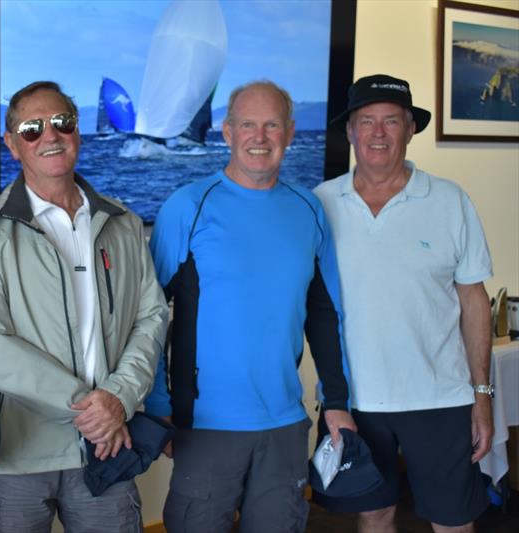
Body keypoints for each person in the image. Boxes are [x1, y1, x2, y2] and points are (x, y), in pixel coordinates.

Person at [0, 81, 168, 533]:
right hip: (19, 451)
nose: (49, 135)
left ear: (78, 133)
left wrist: (119, 398)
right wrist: (91, 408)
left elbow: (151, 316)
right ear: (12, 145)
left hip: (107, 448)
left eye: (62, 123)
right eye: (31, 128)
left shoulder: (123, 222)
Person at [144, 80, 356, 533]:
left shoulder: (308, 210)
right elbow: (149, 315)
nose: (260, 137)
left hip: (284, 423)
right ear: (226, 132)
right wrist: (159, 403)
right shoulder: (187, 207)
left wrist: (336, 400)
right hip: (204, 425)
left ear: (291, 133)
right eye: (247, 125)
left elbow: (324, 314)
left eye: (272, 125)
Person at [312, 74, 493, 532]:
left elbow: (474, 301)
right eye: (366, 121)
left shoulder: (450, 201)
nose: (378, 133)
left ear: (410, 129)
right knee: (374, 514)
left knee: (453, 520)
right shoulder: (321, 203)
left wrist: (482, 396)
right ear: (349, 130)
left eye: (391, 121)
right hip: (356, 401)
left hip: (440, 398)